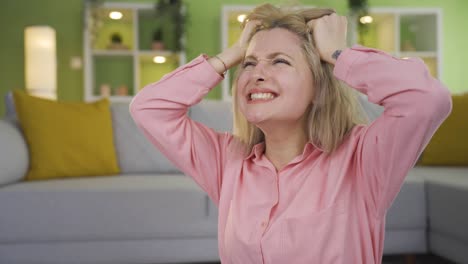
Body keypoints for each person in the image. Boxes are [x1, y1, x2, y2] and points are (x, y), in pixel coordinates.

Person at [130, 3, 452, 264]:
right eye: (249, 63)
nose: (257, 74)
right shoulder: (229, 162)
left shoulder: (362, 161)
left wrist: (338, 54)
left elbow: (427, 98)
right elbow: (147, 108)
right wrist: (230, 54)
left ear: (319, 86)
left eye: (279, 61)